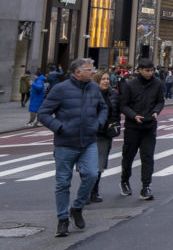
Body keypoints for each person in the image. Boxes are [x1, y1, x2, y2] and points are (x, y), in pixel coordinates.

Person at [37, 58, 107, 237]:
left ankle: (76, 207)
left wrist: (98, 124)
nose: (93, 72)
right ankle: (62, 219)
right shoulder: (60, 89)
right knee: (62, 183)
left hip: (88, 142)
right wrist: (60, 127)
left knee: (92, 174)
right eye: (89, 69)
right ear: (78, 72)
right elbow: (43, 113)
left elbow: (103, 108)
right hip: (65, 144)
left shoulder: (93, 88)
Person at [119, 58, 164, 200]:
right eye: (147, 71)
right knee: (128, 156)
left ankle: (146, 186)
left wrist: (156, 111)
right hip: (133, 126)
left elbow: (160, 101)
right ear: (139, 70)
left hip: (149, 126)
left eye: (151, 70)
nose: (150, 73)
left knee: (148, 156)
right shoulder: (130, 85)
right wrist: (133, 116)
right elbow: (123, 105)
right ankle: (124, 181)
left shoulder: (157, 83)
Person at [90, 70, 120, 203]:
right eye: (103, 79)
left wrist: (116, 125)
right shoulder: (90, 94)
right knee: (90, 165)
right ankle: (87, 190)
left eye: (107, 79)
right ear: (97, 81)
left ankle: (94, 190)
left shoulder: (113, 94)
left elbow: (117, 111)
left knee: (100, 164)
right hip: (92, 134)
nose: (106, 81)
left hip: (106, 134)